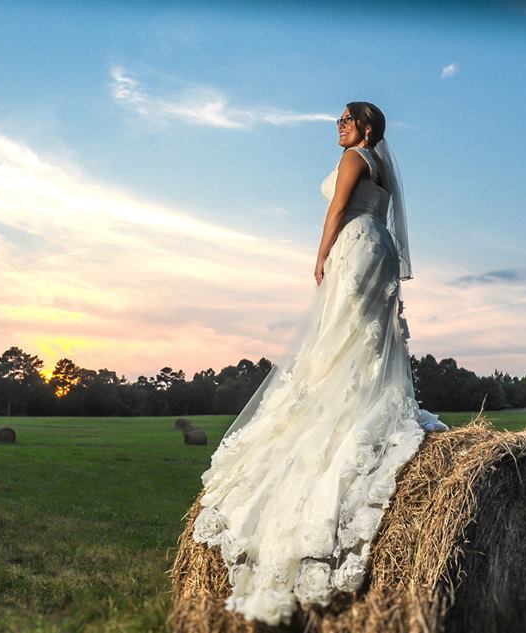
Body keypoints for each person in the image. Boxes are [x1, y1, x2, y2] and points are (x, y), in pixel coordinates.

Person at [191, 101, 449, 627]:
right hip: (380, 248)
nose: (340, 126)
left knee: (339, 339)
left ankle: (344, 410)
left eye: (347, 119)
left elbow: (336, 210)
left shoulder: (357, 158)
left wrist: (321, 253)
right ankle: (362, 400)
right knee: (365, 341)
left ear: (367, 128)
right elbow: (379, 211)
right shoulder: (384, 168)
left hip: (355, 244)